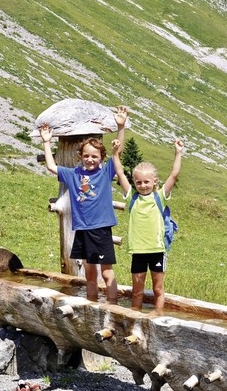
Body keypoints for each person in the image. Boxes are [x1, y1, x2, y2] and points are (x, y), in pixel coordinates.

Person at [39, 106, 128, 304]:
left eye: (94, 156)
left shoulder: (105, 173)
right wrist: (47, 142)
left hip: (101, 229)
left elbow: (118, 152)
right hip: (82, 229)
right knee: (89, 272)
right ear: (80, 156)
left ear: (101, 158)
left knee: (106, 271)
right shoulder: (73, 174)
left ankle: (113, 305)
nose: (90, 159)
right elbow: (51, 167)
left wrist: (120, 127)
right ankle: (92, 303)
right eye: (86, 156)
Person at [112, 137, 183, 314]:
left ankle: (157, 315)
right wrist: (115, 154)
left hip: (157, 250)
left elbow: (174, 175)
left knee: (158, 289)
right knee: (137, 291)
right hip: (138, 251)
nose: (143, 186)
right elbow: (120, 174)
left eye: (146, 182)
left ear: (154, 182)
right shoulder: (132, 198)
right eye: (138, 182)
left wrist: (178, 153)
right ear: (134, 183)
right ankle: (135, 315)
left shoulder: (159, 197)